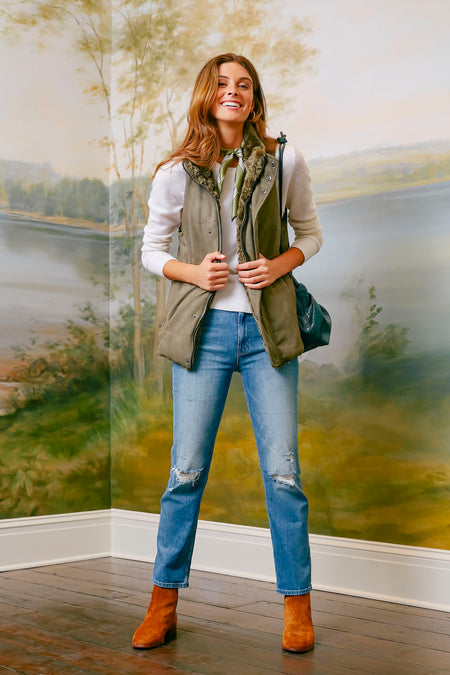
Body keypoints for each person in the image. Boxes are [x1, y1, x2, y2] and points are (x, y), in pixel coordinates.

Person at [134, 53, 322, 654]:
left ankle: (297, 606)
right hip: (203, 333)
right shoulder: (177, 171)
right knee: (185, 472)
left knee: (284, 474)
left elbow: (310, 235)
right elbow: (151, 249)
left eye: (243, 85)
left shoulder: (284, 159)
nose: (233, 92)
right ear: (206, 95)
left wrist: (278, 264)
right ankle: (163, 602)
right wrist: (194, 272)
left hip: (268, 333)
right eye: (222, 84)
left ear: (254, 99)